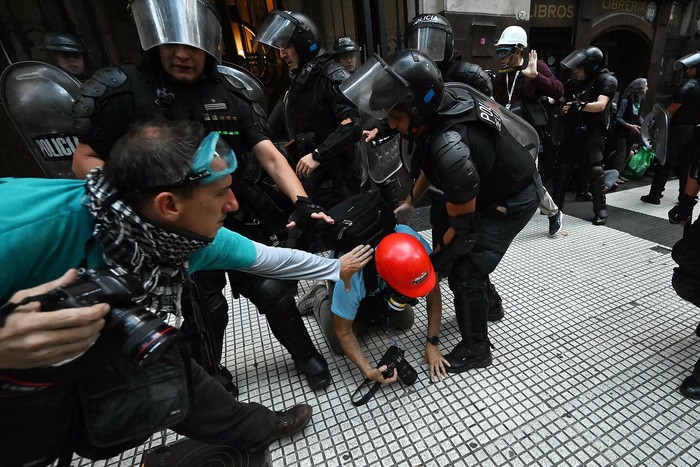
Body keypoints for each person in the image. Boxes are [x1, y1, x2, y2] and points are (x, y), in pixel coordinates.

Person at [0, 119, 373, 466]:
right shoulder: (18, 226)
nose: (234, 205)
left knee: (182, 376)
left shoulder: (186, 236)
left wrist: (334, 268)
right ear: (169, 204)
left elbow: (268, 258)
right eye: (222, 194)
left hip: (120, 335)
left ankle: (254, 427)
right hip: (16, 380)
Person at [71, 0, 334, 390]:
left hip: (235, 211)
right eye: (171, 44)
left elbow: (267, 152)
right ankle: (211, 379)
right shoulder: (124, 92)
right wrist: (132, 202)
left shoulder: (228, 90)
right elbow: (85, 156)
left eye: (191, 45)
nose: (181, 54)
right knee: (203, 306)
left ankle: (307, 357)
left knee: (272, 290)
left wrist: (302, 200)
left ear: (208, 46)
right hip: (173, 226)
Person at [341, 50, 543, 373]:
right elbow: (428, 165)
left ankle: (477, 348)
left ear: (417, 111)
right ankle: (490, 306)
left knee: (465, 270)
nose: (391, 124)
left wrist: (431, 265)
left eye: (396, 117)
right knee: (464, 256)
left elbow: (462, 234)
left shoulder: (451, 146)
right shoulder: (439, 111)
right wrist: (409, 200)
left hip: (514, 198)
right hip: (492, 185)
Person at [297, 227, 447, 384]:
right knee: (338, 345)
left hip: (377, 285)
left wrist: (433, 343)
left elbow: (434, 293)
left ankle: (371, 309)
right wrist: (368, 371)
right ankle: (319, 294)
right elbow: (344, 332)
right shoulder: (352, 277)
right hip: (350, 281)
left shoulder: (418, 249)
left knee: (405, 321)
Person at [257, 10, 364, 209]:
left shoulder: (332, 75)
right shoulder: (301, 80)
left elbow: (352, 126)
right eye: (280, 47)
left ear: (304, 43)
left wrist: (317, 154)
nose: (282, 54)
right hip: (314, 179)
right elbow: (276, 125)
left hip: (339, 180)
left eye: (286, 46)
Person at [492, 25, 565, 236]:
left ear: (518, 50)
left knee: (530, 177)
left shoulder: (536, 67)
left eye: (504, 51)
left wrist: (535, 77)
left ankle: (553, 213)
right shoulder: (502, 75)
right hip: (507, 134)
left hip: (529, 136)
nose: (499, 56)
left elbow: (559, 90)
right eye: (498, 51)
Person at [552, 46, 617, 225]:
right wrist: (559, 106)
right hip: (572, 133)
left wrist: (579, 105)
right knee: (563, 169)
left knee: (596, 172)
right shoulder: (575, 82)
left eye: (579, 68)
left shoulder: (606, 80)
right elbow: (563, 100)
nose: (576, 71)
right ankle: (555, 207)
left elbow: (600, 105)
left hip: (592, 134)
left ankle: (600, 211)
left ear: (591, 67)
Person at [641, 51, 700, 205]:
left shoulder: (690, 85)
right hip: (695, 130)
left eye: (691, 68)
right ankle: (684, 197)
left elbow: (672, 109)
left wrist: (659, 126)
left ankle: (655, 195)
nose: (687, 71)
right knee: (686, 165)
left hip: (679, 129)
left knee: (664, 162)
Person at [405, 13, 493, 97]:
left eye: (434, 46)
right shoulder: (408, 75)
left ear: (447, 43)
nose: (427, 51)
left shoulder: (464, 74)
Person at [613, 77, 647, 177]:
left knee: (628, 153)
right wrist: (629, 126)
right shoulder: (626, 100)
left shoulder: (640, 100)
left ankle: (620, 173)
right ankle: (615, 175)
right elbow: (618, 117)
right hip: (623, 130)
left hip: (632, 132)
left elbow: (638, 115)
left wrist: (644, 124)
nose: (647, 88)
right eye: (645, 86)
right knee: (621, 154)